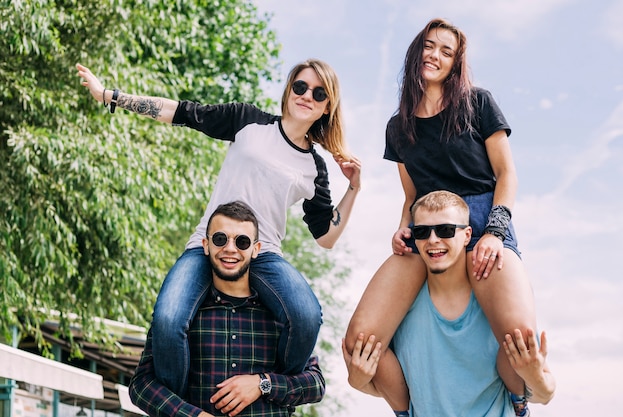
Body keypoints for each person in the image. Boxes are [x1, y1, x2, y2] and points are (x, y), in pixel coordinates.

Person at [77, 59, 361, 396]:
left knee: (306, 316)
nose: (306, 96)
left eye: (318, 93)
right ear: (288, 90)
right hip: (208, 244)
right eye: (300, 87)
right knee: (168, 319)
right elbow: (181, 112)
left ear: (327, 107)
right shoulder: (248, 121)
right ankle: (179, 405)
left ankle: (268, 393)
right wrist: (110, 96)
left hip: (262, 252)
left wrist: (354, 189)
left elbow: (326, 236)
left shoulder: (315, 167)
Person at [345, 17, 536, 416]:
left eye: (446, 51)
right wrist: (402, 228)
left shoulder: (478, 103)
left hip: (484, 219)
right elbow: (411, 195)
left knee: (520, 338)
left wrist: (495, 233)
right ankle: (410, 409)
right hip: (427, 229)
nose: (435, 55)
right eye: (430, 46)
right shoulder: (398, 126)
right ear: (417, 52)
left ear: (455, 63)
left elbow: (507, 175)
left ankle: (517, 403)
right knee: (359, 340)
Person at [343, 190, 555, 417]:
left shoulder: (496, 302)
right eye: (422, 232)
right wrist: (357, 382)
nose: (433, 240)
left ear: (467, 235)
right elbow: (386, 381)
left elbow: (545, 394)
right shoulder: (399, 304)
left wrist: (535, 377)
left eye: (445, 230)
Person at [129, 201, 325, 417]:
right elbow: (141, 385)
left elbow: (315, 384)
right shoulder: (182, 314)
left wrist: (263, 384)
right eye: (220, 239)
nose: (230, 248)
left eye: (242, 241)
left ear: (256, 249)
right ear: (206, 244)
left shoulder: (283, 314)